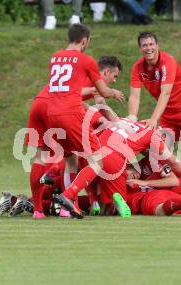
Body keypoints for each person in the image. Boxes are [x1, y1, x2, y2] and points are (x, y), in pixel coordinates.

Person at [45, 24, 125, 219]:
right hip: (71, 114)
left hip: (51, 113)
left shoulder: (55, 57)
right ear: (84, 40)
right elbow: (104, 92)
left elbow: (65, 88)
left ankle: (66, 209)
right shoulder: (86, 60)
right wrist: (113, 93)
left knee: (71, 161)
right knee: (97, 161)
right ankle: (68, 195)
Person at [128, 32, 181, 180]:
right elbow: (134, 95)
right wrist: (132, 118)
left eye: (151, 44)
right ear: (140, 49)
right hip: (168, 114)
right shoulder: (138, 67)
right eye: (144, 45)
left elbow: (165, 93)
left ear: (157, 46)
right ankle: (171, 187)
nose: (149, 48)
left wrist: (154, 118)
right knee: (161, 151)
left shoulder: (168, 62)